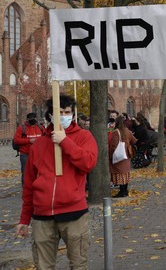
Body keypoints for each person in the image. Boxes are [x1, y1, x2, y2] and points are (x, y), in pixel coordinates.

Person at [16, 95, 98, 269]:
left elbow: (88, 163)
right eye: (59, 112)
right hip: (42, 216)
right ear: (50, 115)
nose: (63, 115)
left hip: (74, 213)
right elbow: (29, 185)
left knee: (78, 264)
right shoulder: (39, 144)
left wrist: (65, 142)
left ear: (73, 114)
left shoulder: (84, 137)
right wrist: (24, 219)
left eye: (67, 112)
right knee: (43, 265)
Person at [12, 112, 45, 186]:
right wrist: (29, 140)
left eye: (34, 118)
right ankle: (25, 187)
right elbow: (16, 140)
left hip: (38, 154)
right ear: (27, 119)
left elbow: (46, 137)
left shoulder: (41, 127)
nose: (33, 120)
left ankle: (38, 186)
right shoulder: (22, 128)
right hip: (25, 154)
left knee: (39, 171)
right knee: (26, 171)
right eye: (31, 118)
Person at [108, 116, 137, 197]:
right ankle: (125, 191)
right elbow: (134, 140)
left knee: (120, 173)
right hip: (126, 155)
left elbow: (114, 145)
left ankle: (122, 192)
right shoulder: (127, 131)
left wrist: (110, 155)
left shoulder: (116, 132)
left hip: (119, 156)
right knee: (125, 174)